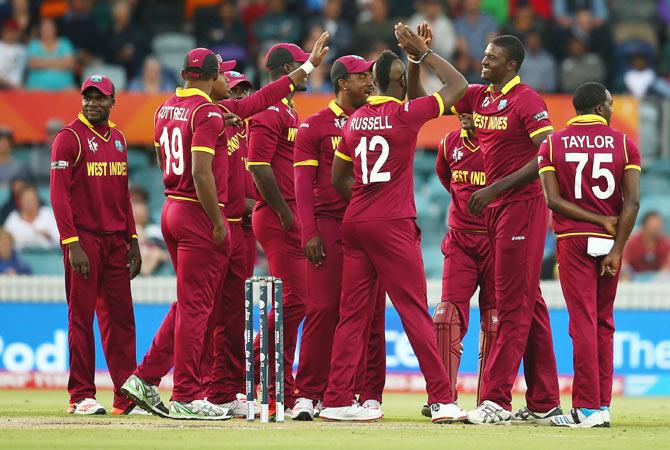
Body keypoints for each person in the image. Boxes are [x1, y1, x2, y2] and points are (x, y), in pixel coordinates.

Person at [321, 23, 468, 423]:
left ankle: (335, 400)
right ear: (399, 83)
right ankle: (441, 399)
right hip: (392, 223)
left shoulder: (351, 122)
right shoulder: (405, 114)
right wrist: (423, 53)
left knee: (351, 315)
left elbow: (338, 177)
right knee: (414, 311)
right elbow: (458, 86)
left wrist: (365, 203)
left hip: (356, 221)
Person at [202, 34, 331, 416]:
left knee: (297, 302)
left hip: (284, 214)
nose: (309, 74)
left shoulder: (289, 111)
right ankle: (270, 377)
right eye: (302, 66)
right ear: (288, 71)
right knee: (297, 301)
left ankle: (269, 376)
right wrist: (285, 212)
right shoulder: (271, 112)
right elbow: (258, 165)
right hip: (276, 217)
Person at [452, 35, 561, 425]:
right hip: (497, 210)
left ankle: (495, 399)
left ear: (511, 65)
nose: (483, 61)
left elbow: (549, 151)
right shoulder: (480, 97)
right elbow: (430, 93)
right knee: (529, 301)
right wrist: (421, 57)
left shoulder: (527, 100)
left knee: (512, 304)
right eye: (483, 54)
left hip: (522, 207)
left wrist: (495, 187)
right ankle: (546, 401)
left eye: (492, 57)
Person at [121, 48, 235, 421]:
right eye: (222, 75)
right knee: (198, 306)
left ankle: (145, 377)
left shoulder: (164, 108)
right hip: (198, 212)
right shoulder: (206, 113)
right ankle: (187, 394)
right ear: (212, 75)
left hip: (171, 206)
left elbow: (162, 161)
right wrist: (217, 219)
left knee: (188, 302)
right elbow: (202, 172)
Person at [538, 82, 640, 427]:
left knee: (582, 321)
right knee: (603, 322)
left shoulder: (551, 144)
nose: (612, 109)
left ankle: (586, 408)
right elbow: (633, 201)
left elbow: (552, 200)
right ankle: (602, 405)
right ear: (599, 108)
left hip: (573, 239)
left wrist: (593, 220)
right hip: (610, 241)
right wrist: (618, 248)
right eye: (610, 103)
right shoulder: (625, 145)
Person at [292, 55, 387, 421]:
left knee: (371, 311)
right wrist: (309, 232)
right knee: (323, 309)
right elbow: (302, 186)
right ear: (343, 82)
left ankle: (368, 392)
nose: (371, 83)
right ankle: (309, 393)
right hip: (329, 224)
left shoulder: (377, 120)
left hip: (369, 223)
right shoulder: (314, 126)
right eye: (364, 77)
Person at [49, 74, 142, 415]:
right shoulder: (68, 138)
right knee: (81, 317)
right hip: (83, 240)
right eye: (88, 97)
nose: (93, 103)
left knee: (121, 320)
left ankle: (125, 395)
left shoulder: (118, 138)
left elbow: (124, 194)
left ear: (112, 102)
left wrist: (133, 239)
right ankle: (81, 395)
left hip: (116, 241)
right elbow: (59, 196)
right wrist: (72, 243)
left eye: (100, 98)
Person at [415, 113, 496, 416]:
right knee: (446, 317)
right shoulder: (449, 143)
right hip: (461, 239)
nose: (462, 113)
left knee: (495, 321)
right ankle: (441, 396)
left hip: (495, 241)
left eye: (469, 109)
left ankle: (490, 401)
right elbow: (445, 177)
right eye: (459, 108)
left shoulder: (500, 145)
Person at [25, 17, 76, 91]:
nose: (47, 30)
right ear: (40, 30)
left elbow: (69, 63)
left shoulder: (65, 43)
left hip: (64, 88)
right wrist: (59, 62)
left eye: (50, 28)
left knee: (72, 92)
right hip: (37, 88)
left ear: (55, 29)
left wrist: (42, 62)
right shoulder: (34, 44)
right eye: (44, 28)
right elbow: (33, 64)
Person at [4, 184, 59, 250]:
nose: (30, 202)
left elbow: (60, 240)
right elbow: (5, 242)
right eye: (27, 199)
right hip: (20, 258)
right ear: (20, 202)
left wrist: (48, 236)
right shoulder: (13, 218)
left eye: (32, 198)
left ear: (37, 200)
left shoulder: (48, 214)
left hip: (48, 257)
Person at [623, 211, 670, 275]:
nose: (656, 229)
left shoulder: (666, 243)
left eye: (658, 226)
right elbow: (624, 263)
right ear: (644, 225)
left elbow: (667, 265)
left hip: (658, 280)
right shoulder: (632, 242)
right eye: (653, 226)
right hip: (633, 279)